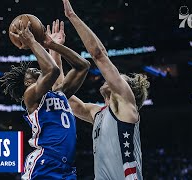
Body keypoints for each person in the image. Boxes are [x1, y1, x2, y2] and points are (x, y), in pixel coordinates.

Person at [60, 0, 150, 179]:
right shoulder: (98, 113)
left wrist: (72, 17)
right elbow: (63, 96)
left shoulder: (126, 105)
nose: (110, 77)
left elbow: (99, 55)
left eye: (119, 77)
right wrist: (55, 50)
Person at [0, 19, 90, 179]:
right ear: (27, 83)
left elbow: (83, 66)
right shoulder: (30, 96)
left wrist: (54, 46)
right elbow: (52, 71)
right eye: (30, 71)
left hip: (66, 168)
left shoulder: (60, 93)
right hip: (44, 163)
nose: (34, 68)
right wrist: (33, 42)